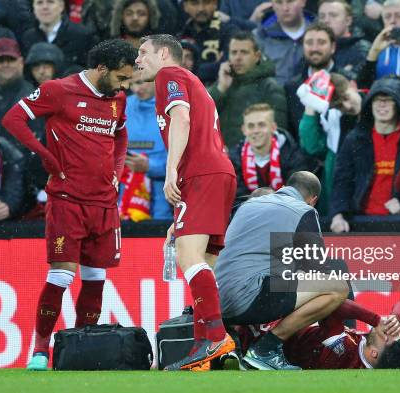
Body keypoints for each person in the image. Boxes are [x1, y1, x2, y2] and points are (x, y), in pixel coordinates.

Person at [2, 39, 136, 370]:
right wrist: (46, 155)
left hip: (104, 204)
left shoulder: (117, 100)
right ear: (102, 69)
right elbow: (13, 119)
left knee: (95, 278)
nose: (124, 86)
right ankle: (40, 349)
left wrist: (118, 171)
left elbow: (120, 135)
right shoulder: (58, 90)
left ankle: (79, 348)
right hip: (67, 200)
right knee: (61, 275)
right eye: (121, 78)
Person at [136, 34, 237, 371]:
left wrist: (170, 170)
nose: (138, 60)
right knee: (202, 261)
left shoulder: (170, 75)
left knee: (188, 257)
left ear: (164, 53)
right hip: (217, 174)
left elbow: (181, 118)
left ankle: (216, 337)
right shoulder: (194, 82)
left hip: (201, 175)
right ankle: (203, 349)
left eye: (143, 52)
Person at [215, 171, 349, 370]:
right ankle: (265, 350)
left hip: (215, 302)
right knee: (337, 287)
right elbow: (317, 269)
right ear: (313, 199)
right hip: (249, 298)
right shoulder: (303, 210)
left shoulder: (248, 205)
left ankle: (234, 344)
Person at [329, 77, 400, 233]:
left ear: (399, 105)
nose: (381, 105)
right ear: (369, 105)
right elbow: (342, 181)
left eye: (388, 100)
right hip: (361, 222)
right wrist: (338, 215)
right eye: (377, 100)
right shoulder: (354, 139)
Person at [236, 299, 400, 369]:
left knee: (333, 290)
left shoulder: (343, 351)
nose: (392, 331)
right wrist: (396, 318)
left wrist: (375, 319)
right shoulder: (384, 351)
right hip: (286, 319)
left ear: (374, 353)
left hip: (260, 330)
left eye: (390, 335)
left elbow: (334, 303)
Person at [207, 31, 288, 147]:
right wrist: (220, 88)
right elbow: (201, 117)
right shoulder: (223, 83)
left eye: (244, 52)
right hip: (221, 158)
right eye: (234, 52)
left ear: (257, 56)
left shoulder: (270, 87)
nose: (238, 58)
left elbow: (278, 132)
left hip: (251, 158)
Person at [298, 72, 363, 216]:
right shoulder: (332, 116)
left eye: (346, 98)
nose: (347, 106)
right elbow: (312, 146)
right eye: (339, 105)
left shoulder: (376, 104)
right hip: (336, 184)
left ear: (353, 85)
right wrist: (311, 104)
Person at [120, 69, 171, 221]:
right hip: (125, 196)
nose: (137, 89)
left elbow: (184, 159)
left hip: (163, 197)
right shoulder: (122, 107)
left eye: (142, 82)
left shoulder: (172, 109)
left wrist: (150, 167)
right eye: (134, 83)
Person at [230, 103, 309, 200]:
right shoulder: (234, 160)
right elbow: (237, 200)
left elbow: (298, 197)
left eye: (261, 125)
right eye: (251, 126)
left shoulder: (293, 155)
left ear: (273, 127)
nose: (256, 131)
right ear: (244, 130)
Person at [21, 0, 98, 70]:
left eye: (50, 2)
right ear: (33, 8)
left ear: (61, 6)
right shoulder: (27, 37)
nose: (45, 7)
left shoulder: (83, 36)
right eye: (39, 2)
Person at [254, 0, 315, 85]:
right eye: (279, 2)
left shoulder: (320, 34)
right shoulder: (260, 36)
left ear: (303, 2)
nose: (285, 8)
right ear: (273, 4)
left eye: (290, 1)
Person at [178, 0, 238, 84]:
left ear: (215, 4)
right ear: (185, 7)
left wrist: (187, 70)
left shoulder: (229, 32)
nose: (201, 9)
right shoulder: (179, 33)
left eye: (207, 2)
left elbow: (227, 65)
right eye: (195, 3)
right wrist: (212, 67)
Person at [317, 0, 371, 81]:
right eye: (322, 16)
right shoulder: (314, 47)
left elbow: (360, 81)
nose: (326, 21)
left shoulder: (362, 48)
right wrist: (344, 71)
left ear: (348, 21)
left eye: (333, 15)